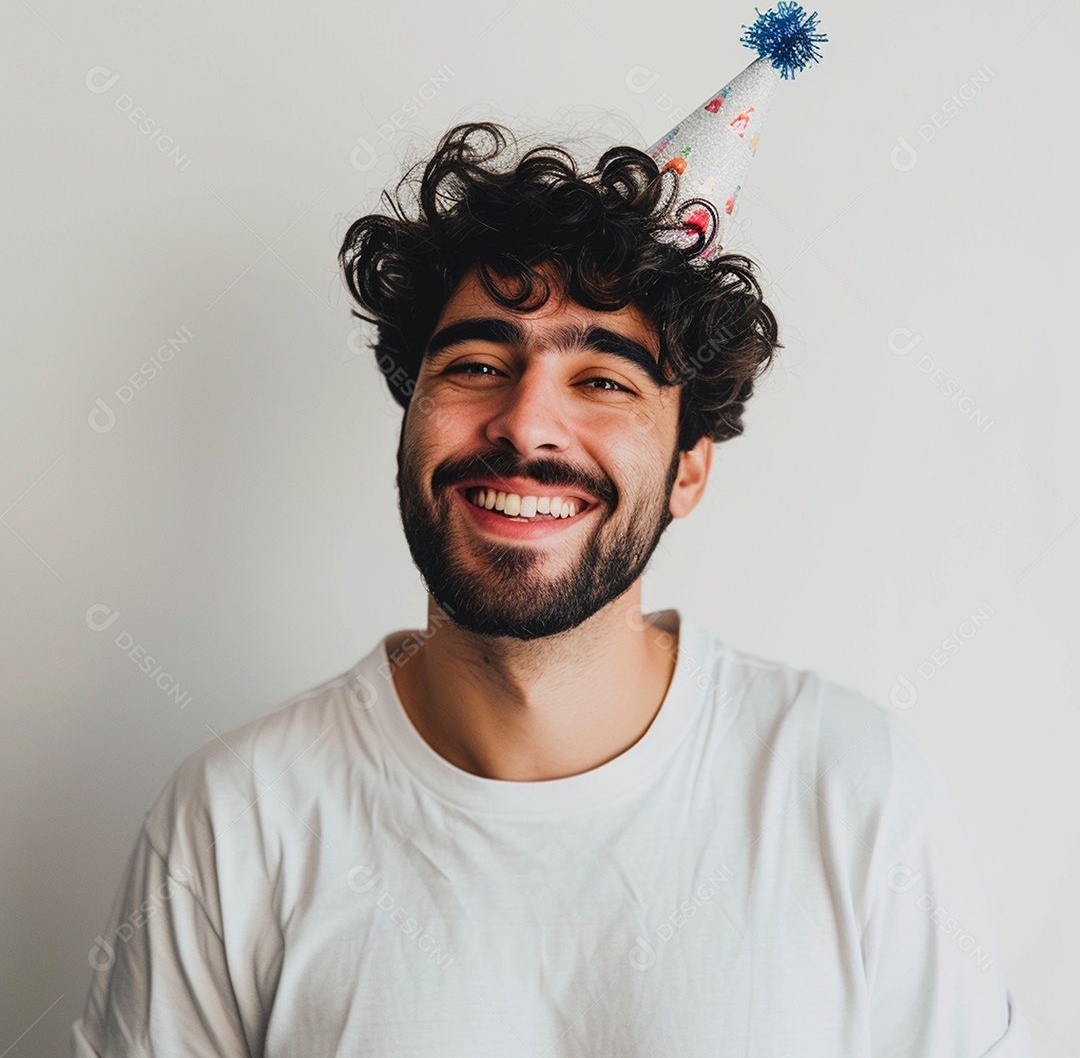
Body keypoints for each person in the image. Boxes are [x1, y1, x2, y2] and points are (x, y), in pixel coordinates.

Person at [71, 120, 1031, 1056]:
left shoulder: (853, 789)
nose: (526, 426)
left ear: (690, 468)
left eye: (605, 381)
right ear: (409, 428)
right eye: (478, 365)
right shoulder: (233, 823)